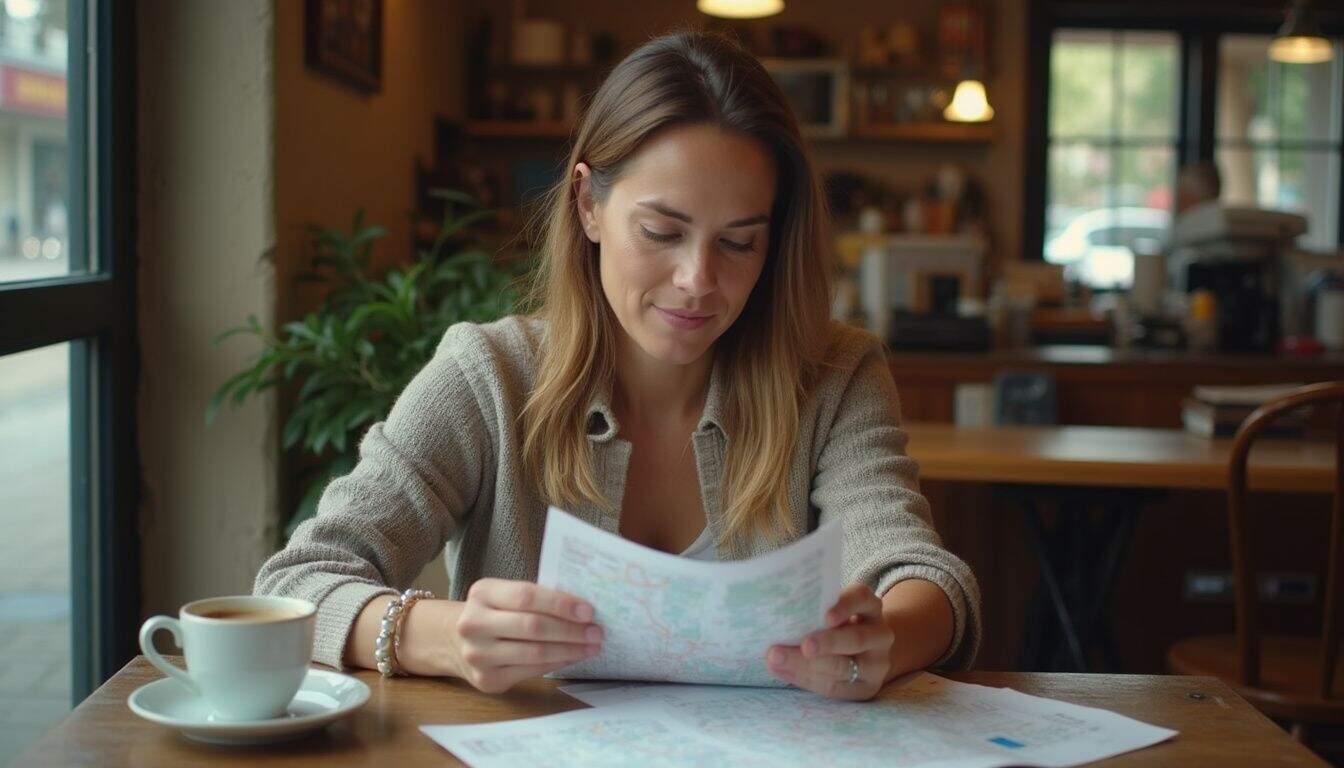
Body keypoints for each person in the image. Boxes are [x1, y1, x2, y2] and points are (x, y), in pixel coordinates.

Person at [255, 30, 981, 701]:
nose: (698, 278)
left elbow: (923, 578)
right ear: (588, 205)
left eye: (739, 243)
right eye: (662, 231)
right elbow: (298, 582)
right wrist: (439, 636)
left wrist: (883, 638)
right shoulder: (489, 375)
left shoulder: (835, 375)